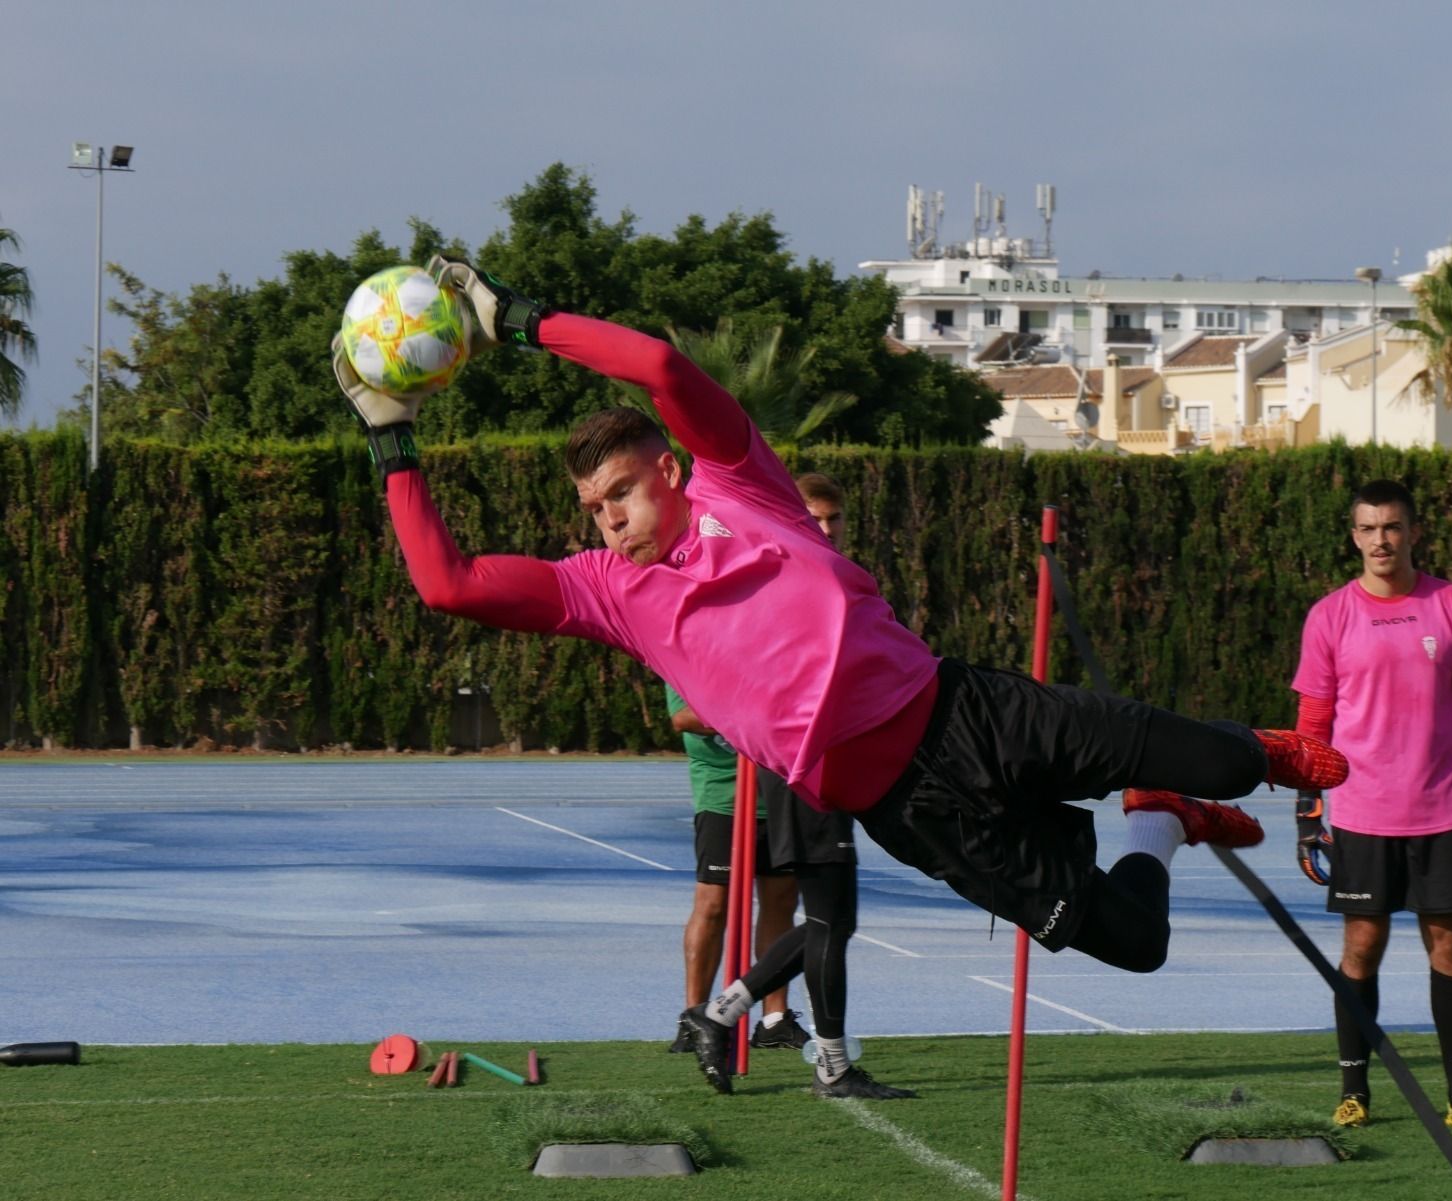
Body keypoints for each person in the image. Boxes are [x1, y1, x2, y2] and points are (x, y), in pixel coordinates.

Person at [332, 256, 1348, 1096]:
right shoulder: (605, 590)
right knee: (1134, 941)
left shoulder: (742, 484)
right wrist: (391, 439)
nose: (607, 517)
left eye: (621, 491)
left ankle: (1237, 764)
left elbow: (661, 369)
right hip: (911, 809)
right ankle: (1156, 823)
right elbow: (446, 582)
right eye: (593, 507)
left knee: (1222, 758)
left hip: (964, 710)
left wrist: (521, 322)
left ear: (669, 470)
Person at [688, 471, 914, 1099]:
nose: (827, 529)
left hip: (830, 766)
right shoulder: (786, 581)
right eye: (814, 519)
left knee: (830, 921)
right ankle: (816, 1058)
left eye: (834, 519)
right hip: (802, 766)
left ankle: (725, 1015)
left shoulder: (838, 579)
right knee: (831, 921)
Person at [1290, 479, 1452, 1131]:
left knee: (1449, 946)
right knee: (1362, 946)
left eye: (1391, 526)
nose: (1380, 539)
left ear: (1413, 532)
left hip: (1442, 809)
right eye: (1368, 528)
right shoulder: (1330, 615)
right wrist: (1307, 808)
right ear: (1354, 537)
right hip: (1362, 812)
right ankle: (1354, 1092)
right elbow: (1313, 719)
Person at [664, 681, 810, 1053]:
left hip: (779, 785)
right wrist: (756, 715)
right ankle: (694, 1017)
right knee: (713, 904)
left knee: (781, 901)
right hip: (723, 795)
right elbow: (683, 718)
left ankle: (774, 1020)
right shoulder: (688, 657)